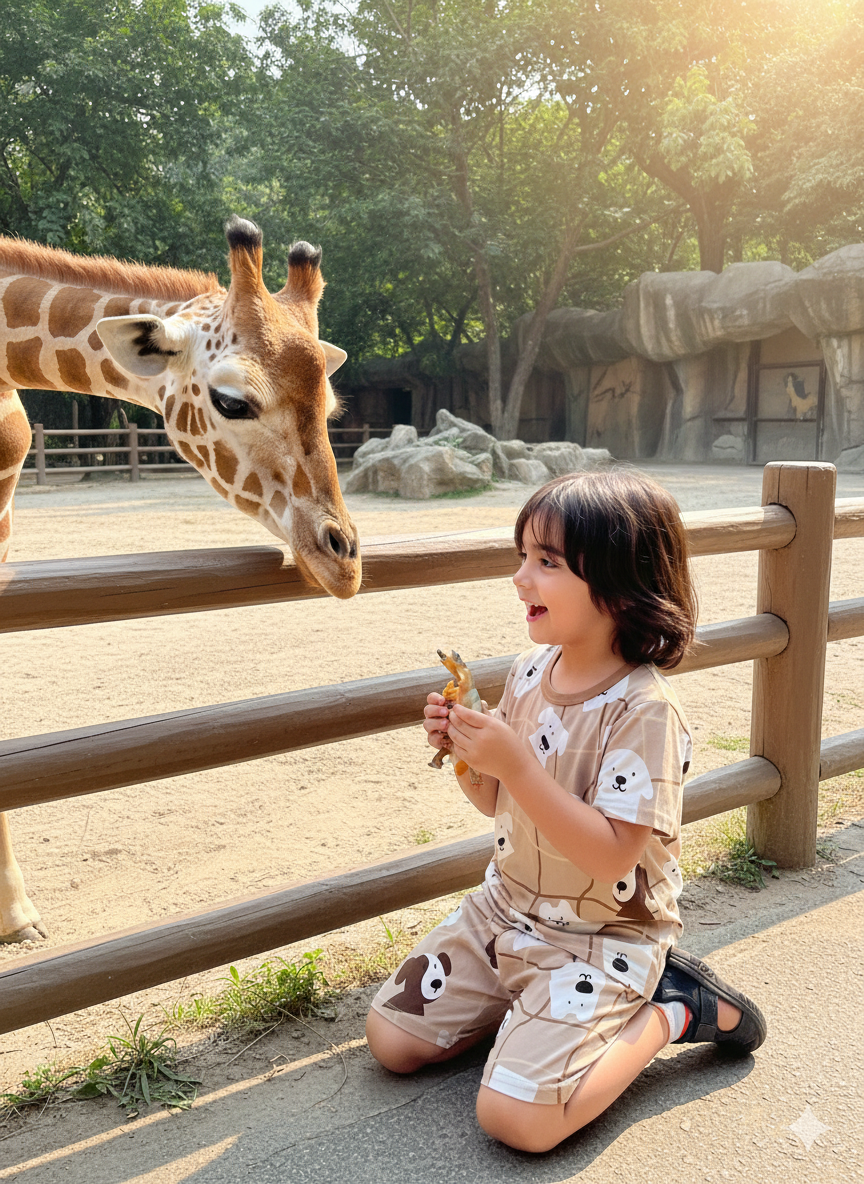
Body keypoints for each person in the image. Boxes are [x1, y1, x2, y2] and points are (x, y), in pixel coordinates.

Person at [366, 469, 766, 1153]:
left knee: (516, 1122)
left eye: (546, 562)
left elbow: (611, 854)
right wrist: (468, 756)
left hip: (600, 936)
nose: (522, 578)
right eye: (522, 557)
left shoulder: (645, 710)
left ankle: (671, 1009)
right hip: (505, 912)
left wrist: (516, 761)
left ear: (619, 581)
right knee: (392, 1038)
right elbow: (497, 801)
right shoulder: (528, 673)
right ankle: (534, 1020)